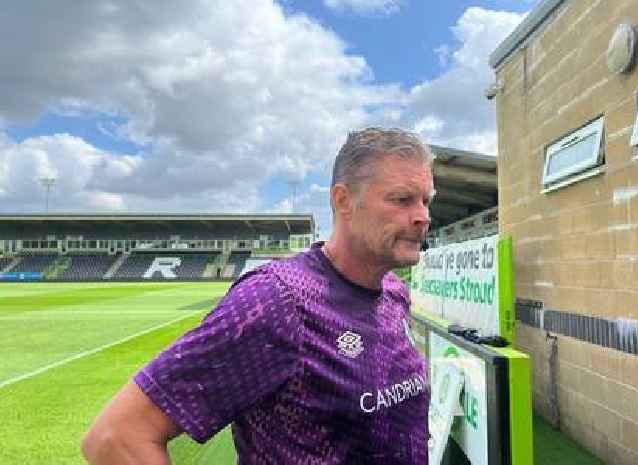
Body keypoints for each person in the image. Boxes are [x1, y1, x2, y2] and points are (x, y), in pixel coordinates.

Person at [81, 127, 435, 465]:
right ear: (343, 201)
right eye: (402, 199)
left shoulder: (393, 292)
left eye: (425, 201)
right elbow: (117, 436)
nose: (422, 216)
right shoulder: (277, 301)